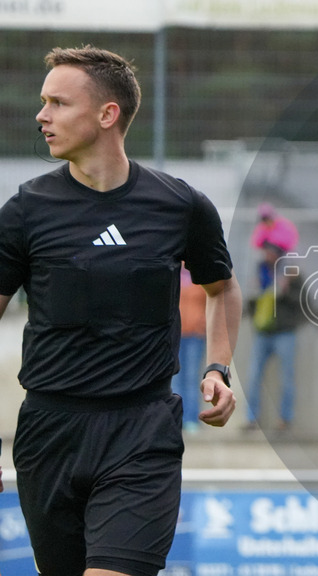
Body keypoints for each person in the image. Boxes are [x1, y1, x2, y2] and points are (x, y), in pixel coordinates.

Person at [0, 46, 241, 576]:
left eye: (58, 103)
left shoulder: (180, 205)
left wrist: (218, 367)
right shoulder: (24, 211)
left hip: (142, 430)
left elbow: (222, 288)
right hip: (48, 433)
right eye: (43, 102)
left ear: (108, 115)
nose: (42, 116)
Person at [244, 240, 302, 431]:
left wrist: (284, 291)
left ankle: (285, 419)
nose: (268, 255)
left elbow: (302, 302)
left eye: (271, 251)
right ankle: (251, 418)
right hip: (263, 332)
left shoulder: (292, 274)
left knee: (287, 377)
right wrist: (255, 292)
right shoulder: (259, 272)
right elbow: (250, 305)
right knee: (253, 375)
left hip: (284, 332)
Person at [171, 265, 208, 434]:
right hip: (176, 335)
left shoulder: (201, 279)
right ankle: (176, 418)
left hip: (195, 336)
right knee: (175, 377)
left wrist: (202, 324)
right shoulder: (173, 277)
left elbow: (210, 304)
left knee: (192, 378)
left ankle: (191, 418)